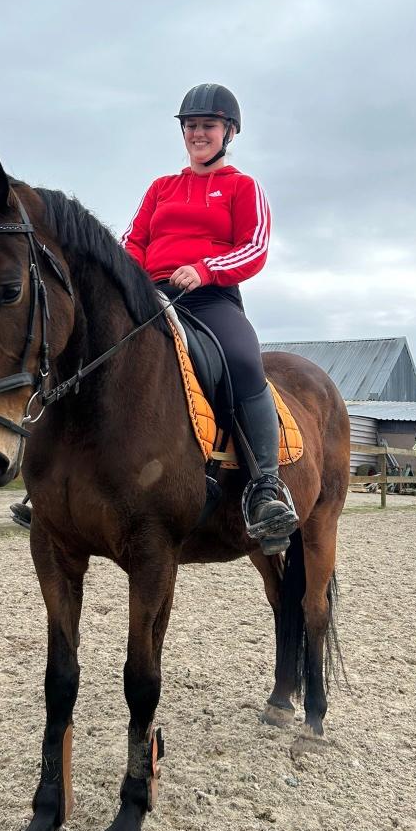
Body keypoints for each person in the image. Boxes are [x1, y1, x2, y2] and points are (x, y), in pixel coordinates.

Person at [120, 83, 299, 553]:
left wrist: (204, 270)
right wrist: (132, 280)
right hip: (150, 296)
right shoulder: (161, 188)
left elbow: (254, 247)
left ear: (229, 132)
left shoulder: (243, 186)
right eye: (191, 126)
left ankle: (264, 488)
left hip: (210, 298)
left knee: (242, 360)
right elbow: (132, 240)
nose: (198, 134)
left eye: (208, 126)